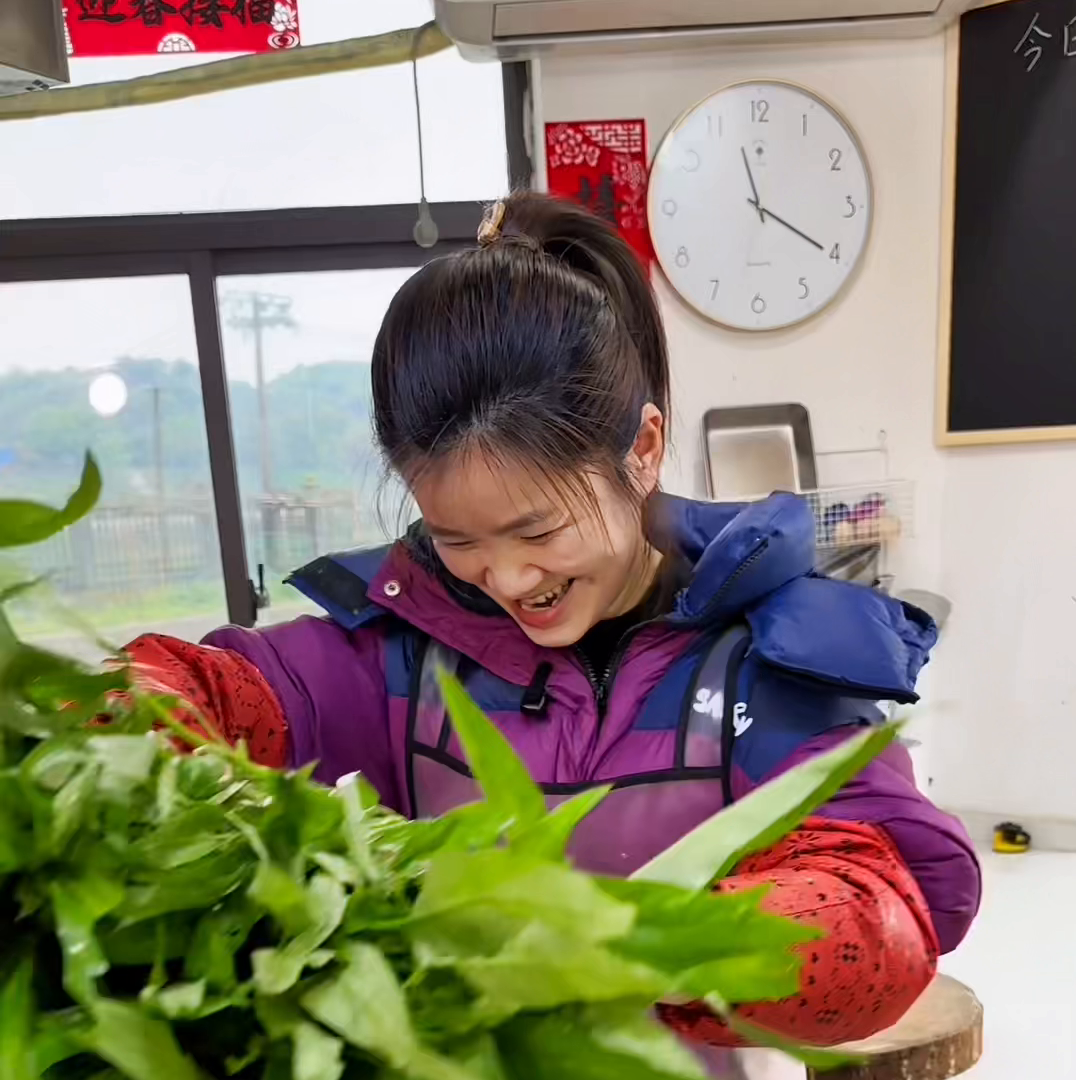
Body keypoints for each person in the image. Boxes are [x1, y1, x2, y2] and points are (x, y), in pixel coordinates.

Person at [122, 192, 980, 1056]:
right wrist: (125, 712)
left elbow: (888, 897)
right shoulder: (402, 651)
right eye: (457, 538)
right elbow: (227, 695)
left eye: (538, 530)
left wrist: (677, 943)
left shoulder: (761, 660)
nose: (507, 577)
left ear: (641, 452)